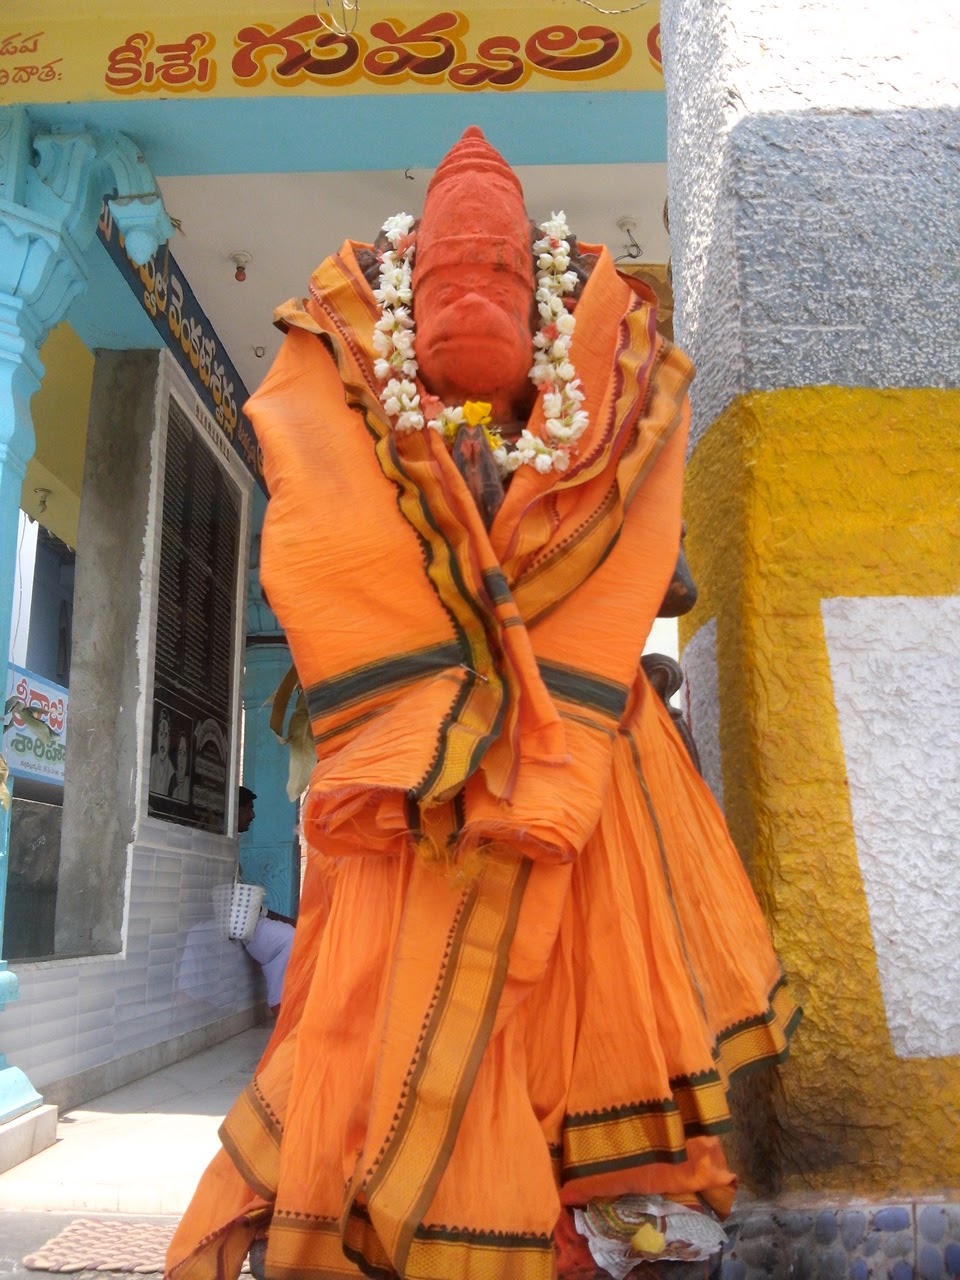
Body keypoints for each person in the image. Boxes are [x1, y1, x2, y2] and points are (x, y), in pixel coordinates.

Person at [168, 128, 800, 1280]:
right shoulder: (351, 394)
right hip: (416, 779)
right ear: (411, 300)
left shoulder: (603, 398)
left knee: (578, 1014)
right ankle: (387, 1213)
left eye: (502, 280)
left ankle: (582, 1216)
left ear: (539, 298)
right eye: (457, 282)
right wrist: (454, 568)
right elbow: (318, 556)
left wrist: (557, 557)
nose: (479, 300)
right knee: (378, 1021)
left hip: (579, 769)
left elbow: (669, 576)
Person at [236, 785, 295, 1017]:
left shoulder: (232, 842)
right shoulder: (223, 843)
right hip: (241, 923)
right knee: (290, 938)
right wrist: (278, 917)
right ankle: (279, 1003)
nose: (253, 815)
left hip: (247, 917)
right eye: (248, 808)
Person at [149, 707, 174, 795]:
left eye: (166, 735)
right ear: (157, 736)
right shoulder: (150, 763)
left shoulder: (172, 771)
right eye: (161, 734)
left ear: (169, 740)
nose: (163, 739)